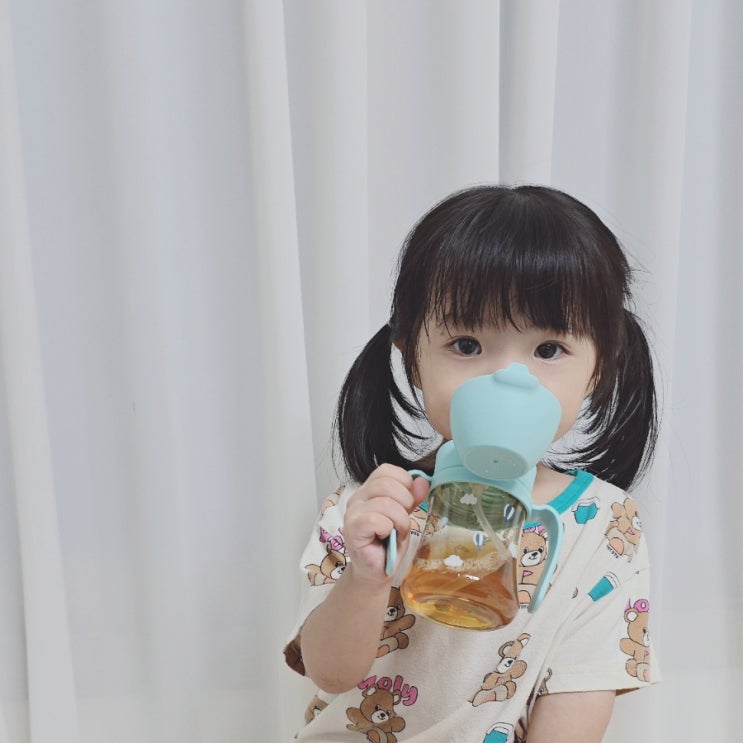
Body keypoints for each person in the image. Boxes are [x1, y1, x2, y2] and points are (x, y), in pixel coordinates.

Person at [283, 185, 660, 742]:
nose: (507, 379)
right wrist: (365, 579)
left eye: (548, 350)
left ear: (598, 369)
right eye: (466, 344)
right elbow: (330, 675)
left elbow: (577, 705)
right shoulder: (368, 509)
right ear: (413, 358)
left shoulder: (606, 525)